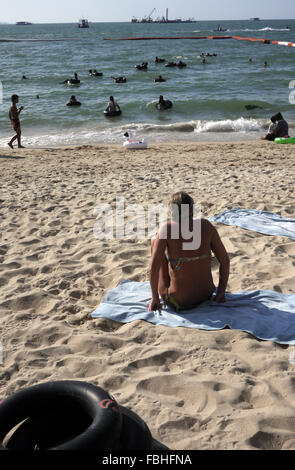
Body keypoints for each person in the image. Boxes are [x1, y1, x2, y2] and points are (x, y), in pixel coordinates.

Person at [148, 191, 230, 311]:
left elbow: (153, 268)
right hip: (206, 295)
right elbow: (225, 261)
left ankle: (165, 291)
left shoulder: (167, 228)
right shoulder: (206, 226)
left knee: (154, 240)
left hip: (179, 300)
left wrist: (155, 298)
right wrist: (221, 292)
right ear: (192, 209)